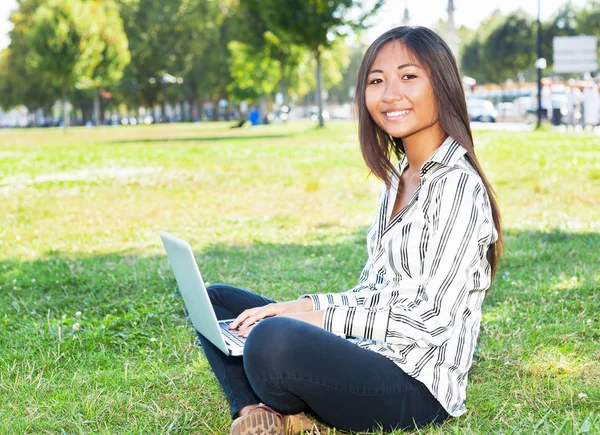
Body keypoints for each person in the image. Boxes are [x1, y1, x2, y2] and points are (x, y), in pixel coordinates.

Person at [196, 26, 503, 435]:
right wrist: (299, 305)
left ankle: (282, 405)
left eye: (408, 77)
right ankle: (259, 415)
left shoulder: (457, 186)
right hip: (367, 352)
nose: (390, 93)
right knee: (216, 302)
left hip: (413, 386)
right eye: (377, 81)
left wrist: (310, 318)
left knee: (272, 340)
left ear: (442, 85)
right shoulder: (398, 181)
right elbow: (373, 292)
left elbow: (430, 321)